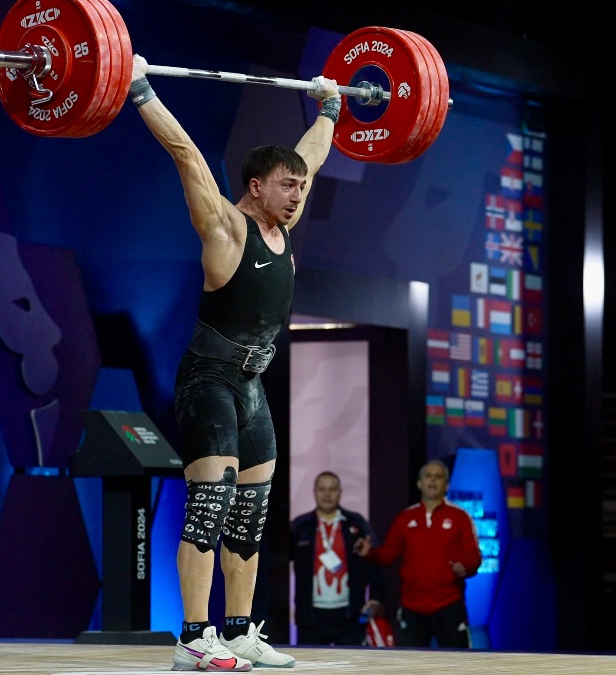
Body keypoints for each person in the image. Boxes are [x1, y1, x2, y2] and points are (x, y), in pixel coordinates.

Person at [128, 55, 341, 671]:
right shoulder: (227, 228)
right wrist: (139, 86)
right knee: (210, 505)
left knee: (249, 517)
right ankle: (195, 637)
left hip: (252, 384)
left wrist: (329, 104)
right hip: (208, 381)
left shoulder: (284, 228)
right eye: (287, 185)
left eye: (300, 187)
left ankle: (241, 631)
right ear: (256, 186)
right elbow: (188, 155)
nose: (298, 193)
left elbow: (315, 153)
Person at [354, 459, 481, 649]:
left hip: (449, 606)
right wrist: (370, 553)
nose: (432, 481)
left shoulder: (460, 517)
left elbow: (475, 557)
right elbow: (387, 555)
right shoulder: (405, 518)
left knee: (458, 665)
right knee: (409, 665)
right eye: (428, 476)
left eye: (438, 477)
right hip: (412, 608)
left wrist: (465, 567)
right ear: (419, 483)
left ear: (446, 485)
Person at [290, 471, 386, 646]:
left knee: (351, 668)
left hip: (349, 615)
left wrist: (376, 597)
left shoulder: (356, 523)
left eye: (332, 489)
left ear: (340, 493)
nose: (327, 494)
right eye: (322, 489)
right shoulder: (300, 526)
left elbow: (374, 559)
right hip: (311, 616)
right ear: (315, 492)